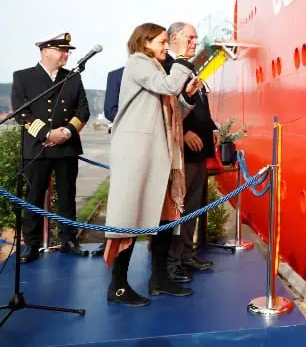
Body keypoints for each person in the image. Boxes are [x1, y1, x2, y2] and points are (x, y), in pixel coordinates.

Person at [103, 22, 202, 306]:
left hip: (158, 155)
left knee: (163, 218)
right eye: (161, 41)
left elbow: (172, 112)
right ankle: (118, 287)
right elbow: (168, 86)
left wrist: (188, 96)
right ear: (145, 42)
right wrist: (183, 61)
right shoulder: (138, 64)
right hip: (137, 156)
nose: (166, 46)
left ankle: (158, 280)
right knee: (128, 218)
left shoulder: (156, 69)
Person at [11, 32, 90, 264]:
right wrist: (47, 133)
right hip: (38, 147)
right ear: (46, 52)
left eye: (67, 51)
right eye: (61, 50)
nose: (66, 54)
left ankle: (68, 240)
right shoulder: (23, 76)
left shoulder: (72, 77)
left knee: (67, 196)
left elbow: (83, 110)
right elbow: (21, 112)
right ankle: (31, 245)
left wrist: (66, 132)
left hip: (66, 147)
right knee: (33, 197)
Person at [164, 22, 216, 283]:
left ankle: (185, 254)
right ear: (174, 38)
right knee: (178, 208)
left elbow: (200, 106)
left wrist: (213, 128)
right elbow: (164, 109)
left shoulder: (190, 67)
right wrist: (181, 133)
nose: (196, 42)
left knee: (193, 206)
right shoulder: (168, 68)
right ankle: (171, 262)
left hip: (199, 152)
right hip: (181, 152)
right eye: (191, 37)